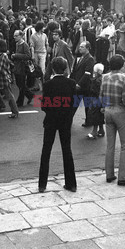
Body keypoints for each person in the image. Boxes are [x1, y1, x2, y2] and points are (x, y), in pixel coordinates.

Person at [38, 56, 77, 193]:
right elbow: (74, 103)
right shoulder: (71, 83)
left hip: (51, 120)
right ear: (65, 68)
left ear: (53, 68)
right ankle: (71, 184)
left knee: (46, 150)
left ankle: (42, 184)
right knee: (67, 150)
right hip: (66, 120)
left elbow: (44, 106)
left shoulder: (48, 84)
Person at [100, 55, 125, 185]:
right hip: (120, 111)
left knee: (110, 145)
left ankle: (109, 174)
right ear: (122, 65)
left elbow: (101, 96)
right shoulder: (124, 79)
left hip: (108, 110)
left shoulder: (104, 77)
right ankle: (124, 177)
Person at [0, 39, 19, 118]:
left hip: (3, 79)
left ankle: (15, 112)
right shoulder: (1, 54)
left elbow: (0, 69)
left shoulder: (3, 55)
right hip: (1, 78)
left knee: (9, 96)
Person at [70, 40, 95, 127]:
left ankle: (88, 121)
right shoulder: (81, 58)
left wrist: (79, 84)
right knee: (76, 104)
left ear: (87, 48)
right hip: (79, 85)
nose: (80, 48)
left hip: (85, 86)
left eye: (82, 47)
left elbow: (87, 74)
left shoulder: (90, 59)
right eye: (80, 46)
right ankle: (88, 121)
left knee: (85, 105)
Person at [11, 30, 35, 106]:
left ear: (21, 36)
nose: (14, 37)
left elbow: (28, 56)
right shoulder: (17, 44)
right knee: (19, 84)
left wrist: (16, 55)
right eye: (14, 36)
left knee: (21, 85)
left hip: (22, 67)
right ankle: (30, 95)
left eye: (16, 36)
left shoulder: (25, 45)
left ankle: (20, 102)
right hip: (17, 66)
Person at [87, 63, 105, 139]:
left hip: (96, 99)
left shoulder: (97, 80)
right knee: (100, 115)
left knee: (95, 115)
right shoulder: (102, 79)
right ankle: (101, 130)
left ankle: (94, 131)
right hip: (101, 99)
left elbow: (95, 91)